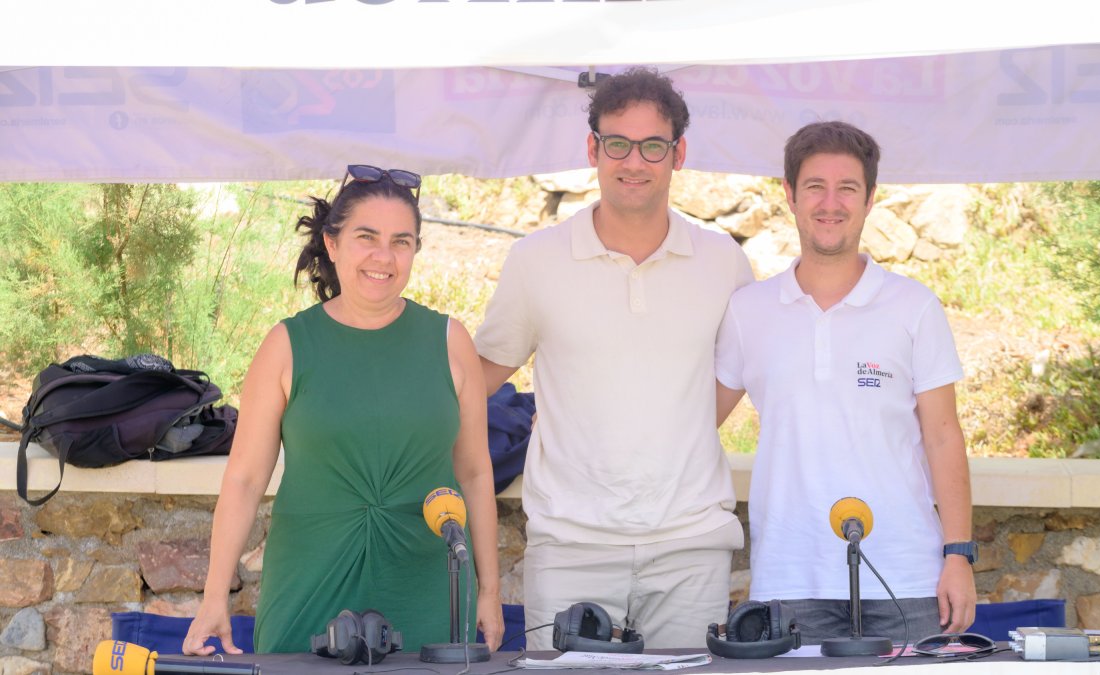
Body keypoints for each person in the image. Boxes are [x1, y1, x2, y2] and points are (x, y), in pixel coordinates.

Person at [473, 67, 754, 650]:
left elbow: (735, 376)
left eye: (652, 145)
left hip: (690, 544)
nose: (633, 161)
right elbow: (477, 378)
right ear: (592, 148)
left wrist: (674, 436)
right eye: (617, 144)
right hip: (570, 546)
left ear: (678, 154)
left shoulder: (723, 260)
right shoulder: (535, 261)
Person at [183, 165, 504, 655]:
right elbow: (245, 479)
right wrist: (212, 598)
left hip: (426, 590)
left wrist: (489, 590)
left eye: (402, 241)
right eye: (366, 237)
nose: (384, 256)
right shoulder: (287, 345)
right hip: (309, 588)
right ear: (332, 245)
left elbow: (476, 473)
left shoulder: (449, 341)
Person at [715, 121, 976, 645]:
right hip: (790, 575)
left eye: (847, 188)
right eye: (814, 186)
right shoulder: (748, 311)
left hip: (906, 575)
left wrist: (959, 555)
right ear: (788, 195)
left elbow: (944, 435)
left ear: (870, 198)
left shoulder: (914, 306)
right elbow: (694, 421)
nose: (829, 203)